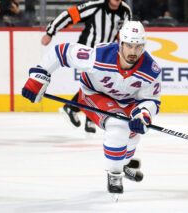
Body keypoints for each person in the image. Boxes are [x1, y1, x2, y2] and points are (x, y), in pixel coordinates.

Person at [22, 21, 162, 196]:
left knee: (133, 133)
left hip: (127, 102)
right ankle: (114, 173)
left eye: (138, 46)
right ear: (121, 43)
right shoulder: (99, 56)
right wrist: (40, 74)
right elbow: (61, 52)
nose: (133, 52)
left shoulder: (151, 69)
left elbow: (151, 99)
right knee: (118, 126)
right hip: (94, 95)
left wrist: (143, 114)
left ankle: (123, 165)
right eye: (129, 46)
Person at [41, 0, 132, 133]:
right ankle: (73, 108)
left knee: (102, 85)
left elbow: (125, 34)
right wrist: (50, 31)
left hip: (108, 54)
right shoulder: (95, 6)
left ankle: (86, 115)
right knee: (100, 83)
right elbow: (70, 15)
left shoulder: (125, 11)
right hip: (88, 51)